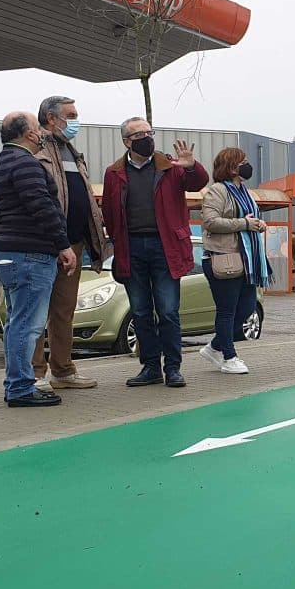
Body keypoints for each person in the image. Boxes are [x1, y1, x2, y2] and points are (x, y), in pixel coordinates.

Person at [101, 117, 208, 387]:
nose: (147, 138)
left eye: (150, 132)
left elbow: (198, 182)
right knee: (141, 312)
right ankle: (150, 367)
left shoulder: (170, 166)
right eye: (140, 134)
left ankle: (173, 368)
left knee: (169, 310)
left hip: (165, 247)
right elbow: (110, 213)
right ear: (127, 141)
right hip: (131, 248)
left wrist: (192, 165)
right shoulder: (114, 172)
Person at [0, 111, 76, 407]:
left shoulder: (4, 162)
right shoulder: (25, 163)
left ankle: (18, 383)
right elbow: (41, 206)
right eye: (38, 129)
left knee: (17, 321)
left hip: (9, 251)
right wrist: (63, 244)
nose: (42, 133)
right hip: (29, 253)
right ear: (28, 134)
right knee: (28, 323)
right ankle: (20, 388)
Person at [31, 96, 108, 392]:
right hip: (46, 245)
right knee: (38, 311)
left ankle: (62, 371)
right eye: (71, 115)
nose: (76, 121)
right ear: (51, 118)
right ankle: (35, 374)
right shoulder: (37, 148)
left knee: (64, 311)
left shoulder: (73, 152)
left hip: (73, 245)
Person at [199, 147, 269, 375]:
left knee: (247, 307)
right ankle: (229, 356)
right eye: (243, 162)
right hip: (223, 258)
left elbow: (250, 219)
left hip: (247, 261)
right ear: (231, 167)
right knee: (227, 310)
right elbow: (210, 222)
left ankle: (214, 346)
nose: (247, 166)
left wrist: (258, 224)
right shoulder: (217, 191)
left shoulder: (245, 191)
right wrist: (245, 224)